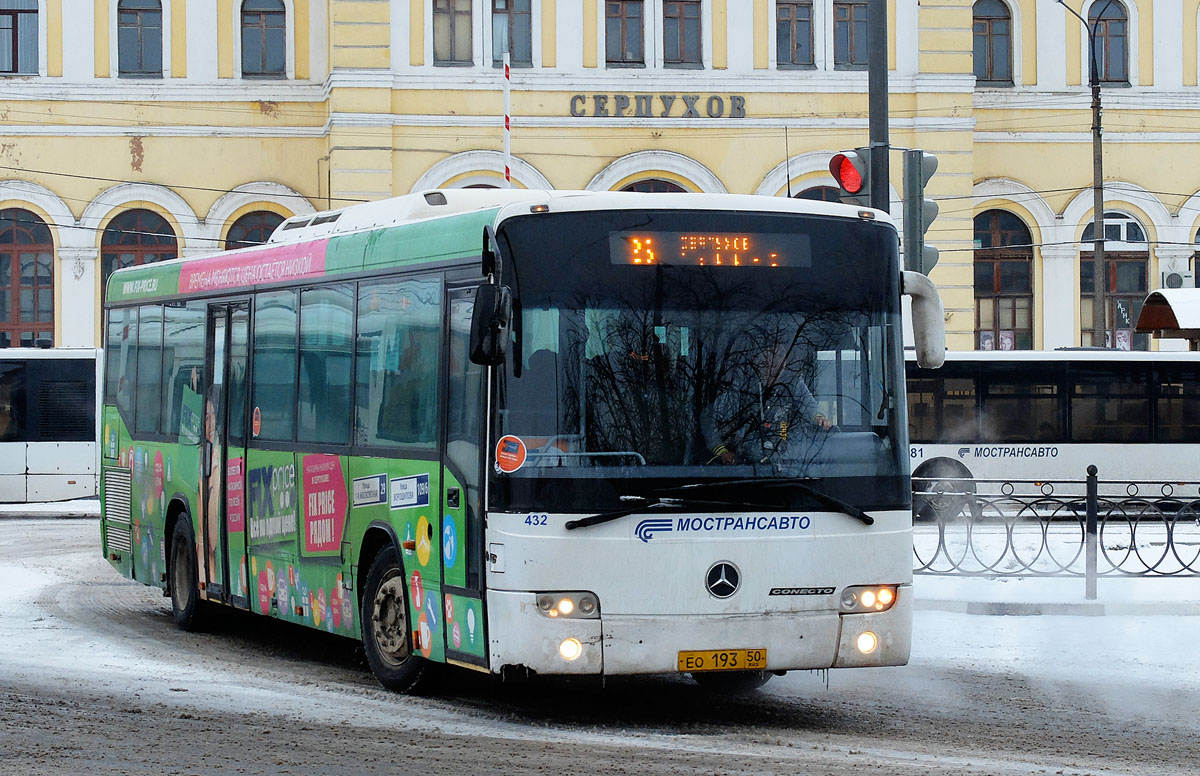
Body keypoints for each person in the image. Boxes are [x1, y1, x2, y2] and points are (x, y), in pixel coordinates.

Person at [702, 342, 832, 465]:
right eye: (770, 354)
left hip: (785, 468)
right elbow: (707, 417)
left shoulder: (793, 384)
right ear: (759, 359)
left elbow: (809, 405)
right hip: (744, 468)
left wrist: (819, 417)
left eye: (781, 355)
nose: (776, 361)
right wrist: (721, 451)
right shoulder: (741, 387)